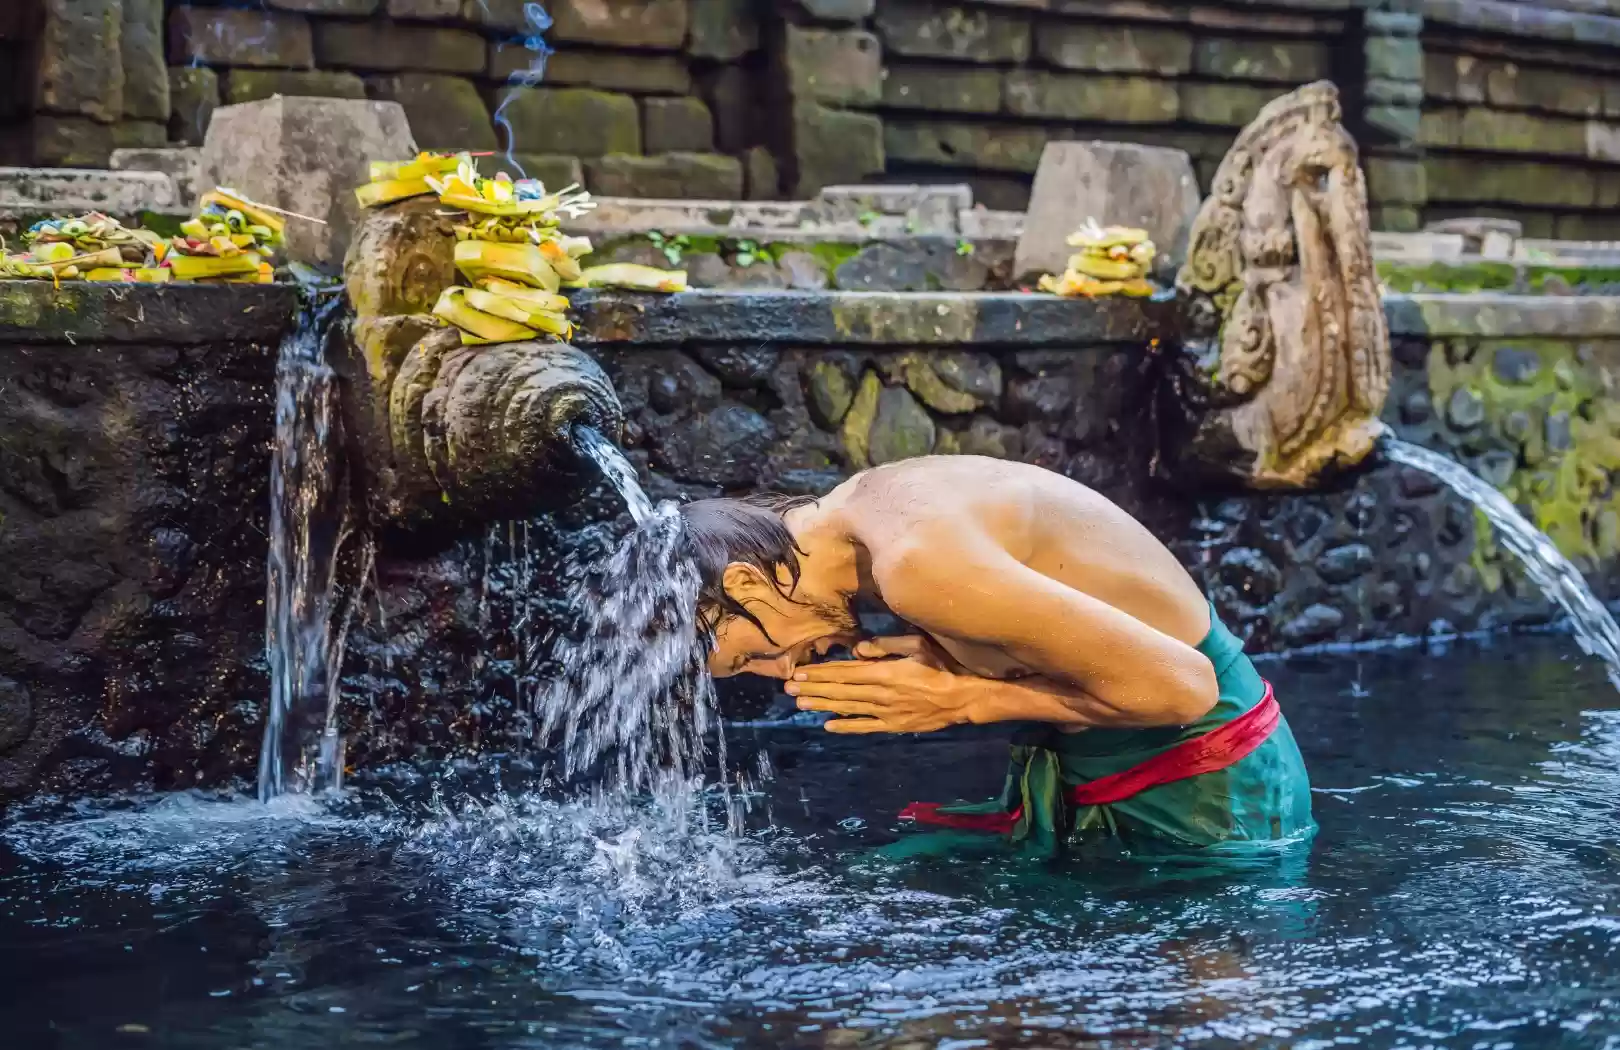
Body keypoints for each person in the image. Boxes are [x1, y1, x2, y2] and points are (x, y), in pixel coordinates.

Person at [681, 455, 1314, 858]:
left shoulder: (915, 565)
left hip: (1208, 792)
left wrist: (969, 699)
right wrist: (957, 663)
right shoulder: (864, 506)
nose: (784, 671)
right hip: (1129, 775)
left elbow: (1187, 688)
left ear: (746, 584)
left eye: (747, 658)